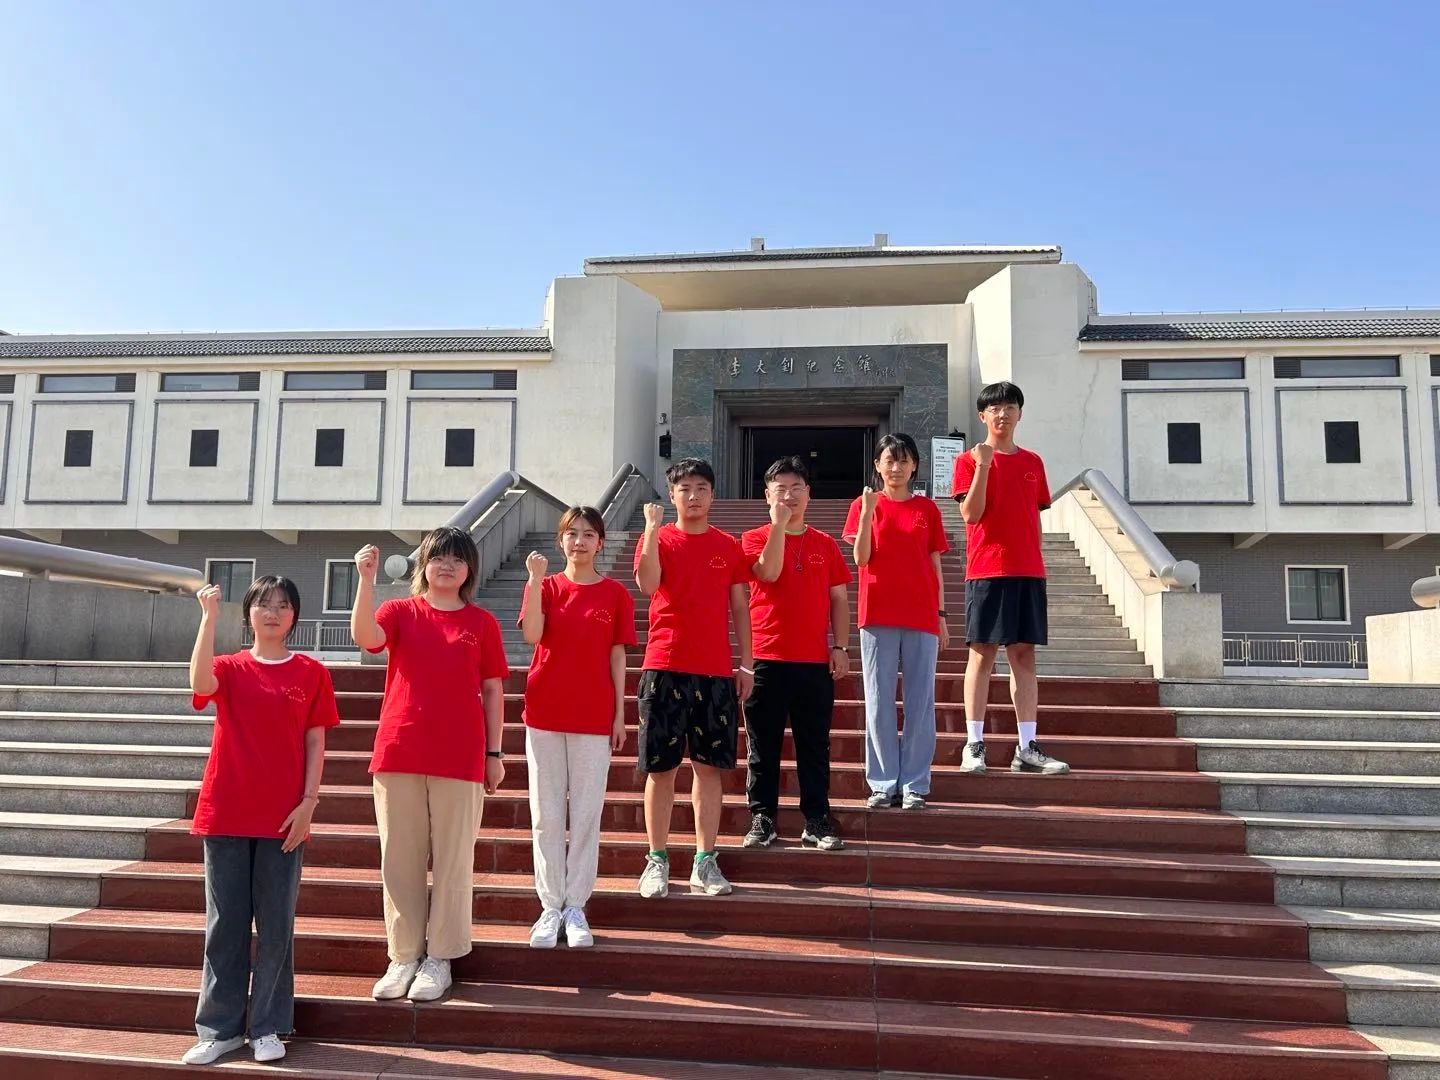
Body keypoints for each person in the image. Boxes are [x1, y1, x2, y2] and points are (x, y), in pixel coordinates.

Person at [181, 576, 339, 1066]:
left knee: (275, 925)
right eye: (263, 604)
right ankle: (219, 1029)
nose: (273, 613)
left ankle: (267, 1026)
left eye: (283, 605)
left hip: (284, 817)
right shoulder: (230, 667)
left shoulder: (311, 672)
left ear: (295, 616)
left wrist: (309, 803)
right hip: (227, 810)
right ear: (248, 612)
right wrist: (208, 618)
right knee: (225, 925)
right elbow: (199, 684)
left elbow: (316, 740)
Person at [350, 526, 509, 1003]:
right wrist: (366, 581)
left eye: (457, 559)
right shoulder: (401, 611)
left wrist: (495, 754)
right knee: (399, 859)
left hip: (460, 755)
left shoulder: (481, 623)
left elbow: (493, 690)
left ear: (469, 570)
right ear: (424, 564)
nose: (447, 566)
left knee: (454, 860)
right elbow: (366, 637)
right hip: (400, 749)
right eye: (438, 557)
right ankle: (403, 955)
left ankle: (441, 956)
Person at [633, 458, 754, 899]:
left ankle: (705, 860)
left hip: (714, 671)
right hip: (664, 666)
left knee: (709, 769)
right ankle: (657, 860)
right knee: (661, 769)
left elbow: (740, 606)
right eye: (685, 488)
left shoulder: (728, 545)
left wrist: (746, 663)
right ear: (672, 495)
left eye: (702, 487)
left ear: (713, 495)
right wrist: (651, 528)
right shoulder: (659, 538)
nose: (694, 495)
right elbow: (647, 584)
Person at [520, 506, 636, 947]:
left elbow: (617, 656)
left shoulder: (615, 594)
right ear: (561, 540)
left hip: (593, 716)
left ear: (600, 543)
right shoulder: (546, 587)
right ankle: (550, 907)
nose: (580, 541)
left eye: (589, 534)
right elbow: (532, 635)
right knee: (546, 815)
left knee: (586, 814)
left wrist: (619, 714)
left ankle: (576, 906)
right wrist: (534, 581)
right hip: (545, 713)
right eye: (572, 534)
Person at [953, 381, 1070, 776]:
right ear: (982, 415)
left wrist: (1037, 562)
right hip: (987, 569)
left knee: (1023, 656)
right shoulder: (968, 461)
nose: (1002, 414)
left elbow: (1033, 517)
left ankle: (1027, 747)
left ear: (1020, 413)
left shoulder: (1033, 462)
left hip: (1028, 571)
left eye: (1009, 407)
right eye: (994, 408)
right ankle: (974, 743)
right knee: (982, 654)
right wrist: (985, 464)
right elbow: (971, 514)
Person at [741, 456, 851, 851]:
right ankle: (763, 817)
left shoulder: (826, 544)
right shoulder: (753, 538)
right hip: (766, 657)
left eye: (796, 488)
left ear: (809, 494)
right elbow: (768, 573)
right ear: (767, 495)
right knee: (763, 746)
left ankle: (817, 819)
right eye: (780, 489)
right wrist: (777, 526)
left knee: (814, 745)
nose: (789, 496)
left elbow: (839, 599)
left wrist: (840, 646)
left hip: (813, 661)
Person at [843, 433, 949, 810]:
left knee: (920, 701)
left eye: (904, 460)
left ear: (915, 465)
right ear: (877, 465)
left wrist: (941, 614)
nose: (896, 467)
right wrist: (868, 513)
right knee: (879, 700)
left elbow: (935, 564)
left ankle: (915, 783)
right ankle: (883, 782)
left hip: (921, 613)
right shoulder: (863, 505)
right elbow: (860, 558)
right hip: (877, 613)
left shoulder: (927, 509)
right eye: (889, 460)